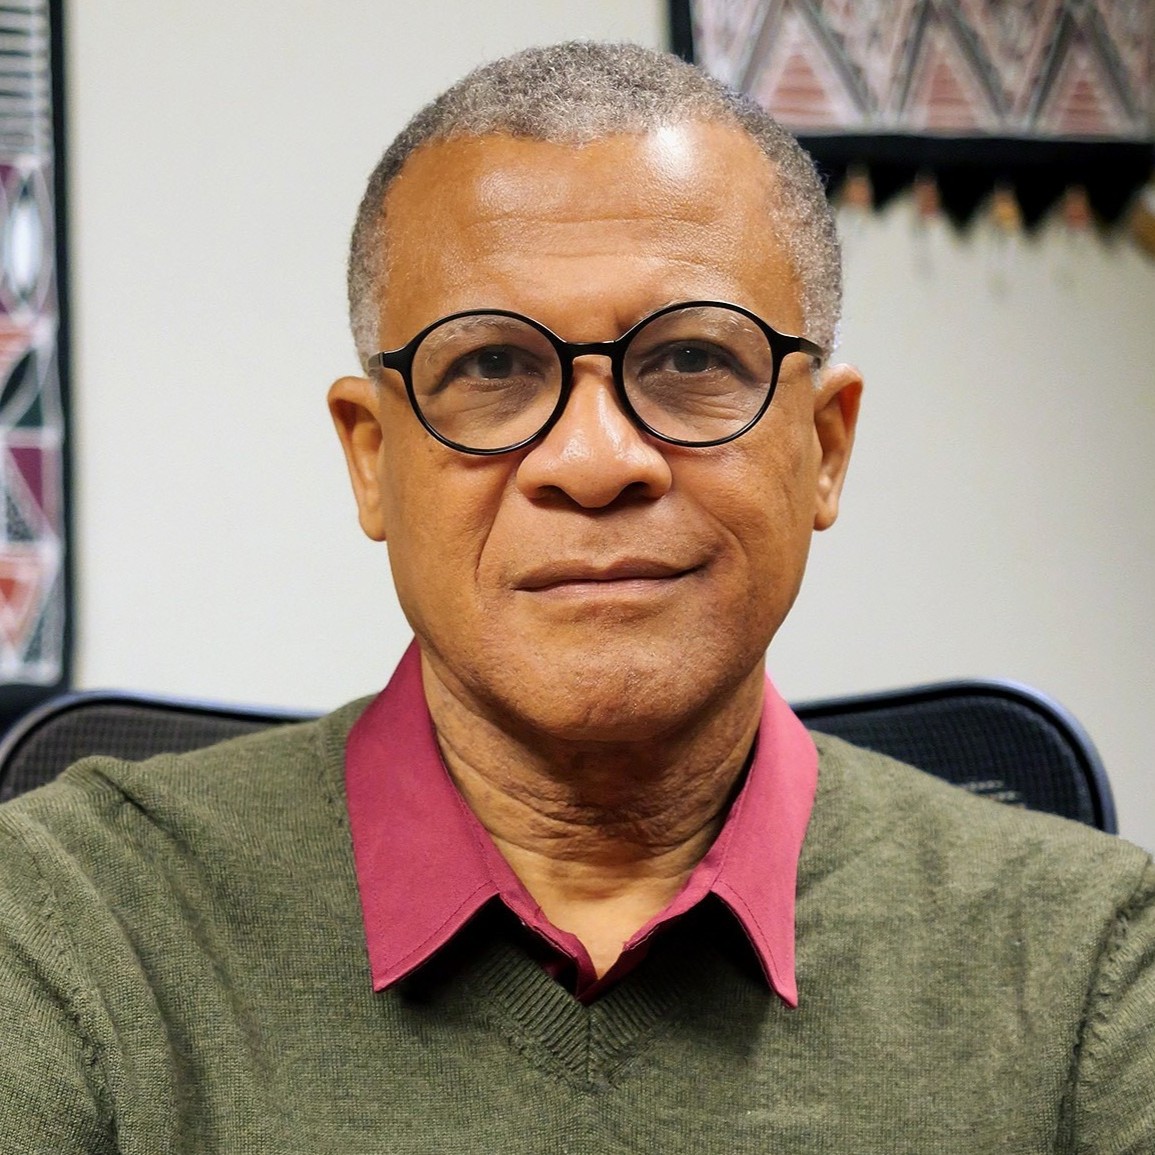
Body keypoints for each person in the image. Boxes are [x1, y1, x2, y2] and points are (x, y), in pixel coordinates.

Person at [1, 41, 1153, 1154]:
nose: (596, 461)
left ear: (826, 446)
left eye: (693, 361)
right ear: (370, 459)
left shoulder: (1090, 971)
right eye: (492, 367)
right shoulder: (68, 930)